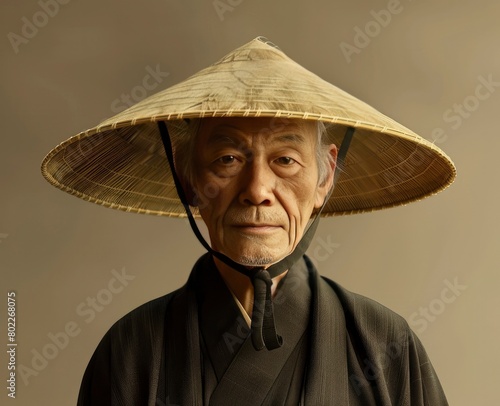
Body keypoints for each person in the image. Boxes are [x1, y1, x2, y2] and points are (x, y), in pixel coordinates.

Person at [41, 37, 455, 405]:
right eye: (228, 160)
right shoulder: (133, 349)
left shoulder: (384, 345)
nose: (257, 189)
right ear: (188, 177)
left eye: (286, 160)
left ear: (325, 177)